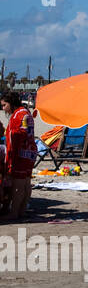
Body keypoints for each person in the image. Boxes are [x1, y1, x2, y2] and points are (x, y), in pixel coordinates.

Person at [2, 92, 37, 222]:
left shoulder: (17, 115)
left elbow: (15, 137)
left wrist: (10, 157)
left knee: (18, 184)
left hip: (21, 153)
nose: (3, 108)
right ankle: (22, 211)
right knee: (26, 183)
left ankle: (14, 213)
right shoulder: (26, 112)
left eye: (5, 105)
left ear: (11, 103)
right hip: (30, 151)